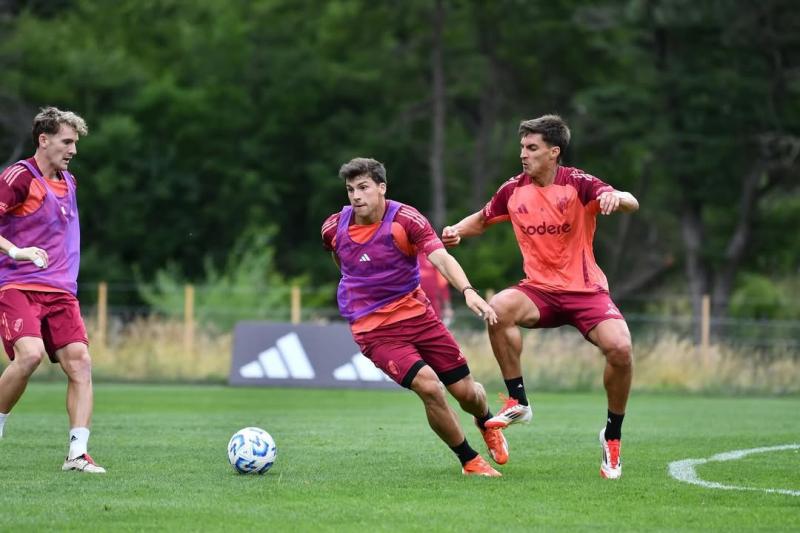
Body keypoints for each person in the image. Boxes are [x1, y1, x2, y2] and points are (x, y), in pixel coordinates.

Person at [442, 115, 638, 479]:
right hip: (540, 290)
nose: (523, 155)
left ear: (554, 152)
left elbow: (631, 201)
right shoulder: (513, 190)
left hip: (586, 290)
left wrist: (616, 197)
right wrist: (456, 230)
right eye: (522, 148)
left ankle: (612, 436)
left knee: (621, 350)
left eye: (531, 148)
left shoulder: (579, 184)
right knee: (498, 308)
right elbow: (484, 218)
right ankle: (519, 401)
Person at [322, 157, 507, 477]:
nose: (356, 196)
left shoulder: (406, 220)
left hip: (419, 317)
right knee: (430, 387)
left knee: (466, 393)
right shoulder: (332, 227)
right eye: (350, 189)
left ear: (382, 188)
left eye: (363, 187)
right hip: (374, 329)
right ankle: (469, 461)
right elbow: (345, 263)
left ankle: (485, 420)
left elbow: (441, 258)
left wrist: (468, 290)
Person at [0, 107, 105, 473]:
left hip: (61, 292)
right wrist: (15, 250)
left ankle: (77, 455)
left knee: (81, 364)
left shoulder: (69, 181)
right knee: (29, 356)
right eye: (67, 141)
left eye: (75, 142)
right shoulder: (18, 177)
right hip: (18, 286)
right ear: (43, 140)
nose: (73, 149)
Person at [417, 252, 453, 326]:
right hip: (413, 304)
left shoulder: (433, 256)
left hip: (433, 305)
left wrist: (447, 307)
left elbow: (443, 285)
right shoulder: (406, 256)